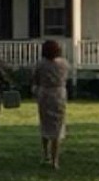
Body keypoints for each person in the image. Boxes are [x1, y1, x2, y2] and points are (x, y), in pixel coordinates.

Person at [31, 40, 70, 170]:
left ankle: (45, 154)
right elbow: (65, 78)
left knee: (45, 124)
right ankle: (55, 160)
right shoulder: (64, 64)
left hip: (44, 94)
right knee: (57, 127)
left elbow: (35, 79)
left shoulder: (40, 64)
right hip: (59, 94)